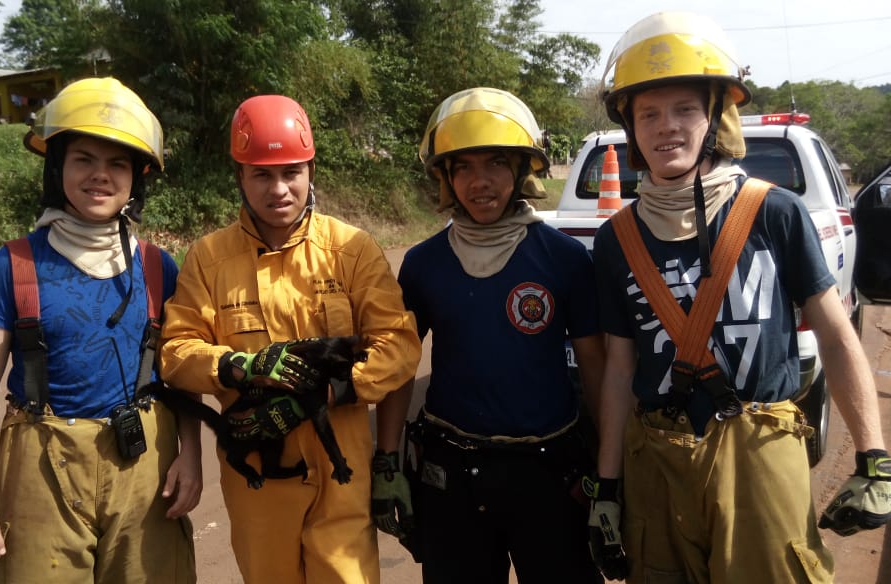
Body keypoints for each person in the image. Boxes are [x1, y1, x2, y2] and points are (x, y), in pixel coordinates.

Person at [589, 12, 891, 584]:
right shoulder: (615, 240)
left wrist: (874, 458)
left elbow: (833, 332)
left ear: (716, 118)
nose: (666, 128)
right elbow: (619, 370)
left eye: (684, 109)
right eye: (648, 114)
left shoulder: (774, 212)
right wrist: (608, 485)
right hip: (656, 458)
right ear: (631, 129)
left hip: (759, 450)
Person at [157, 93, 421, 584]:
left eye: (291, 172)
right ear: (239, 177)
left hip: (340, 461)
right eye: (261, 174)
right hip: (258, 470)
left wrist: (338, 390)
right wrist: (240, 367)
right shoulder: (208, 260)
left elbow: (399, 344)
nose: (278, 188)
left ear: (310, 170)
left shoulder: (351, 250)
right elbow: (177, 351)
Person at [0, 77, 201, 583]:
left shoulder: (159, 268)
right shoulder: (11, 266)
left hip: (144, 463)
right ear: (57, 166)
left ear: (137, 177)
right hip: (39, 464)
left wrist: (191, 456)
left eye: (117, 163)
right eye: (83, 159)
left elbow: (181, 376)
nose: (100, 176)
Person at [376, 86, 607, 583]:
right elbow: (399, 367)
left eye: (497, 164)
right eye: (463, 167)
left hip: (552, 475)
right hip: (451, 477)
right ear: (445, 177)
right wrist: (387, 460)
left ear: (523, 171)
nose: (480, 182)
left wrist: (610, 475)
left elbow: (596, 370)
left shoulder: (565, 260)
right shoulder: (422, 264)